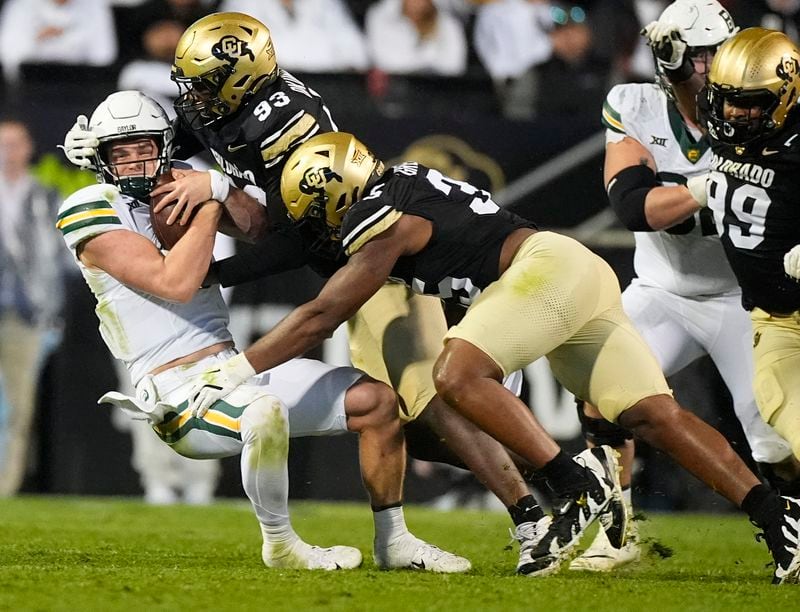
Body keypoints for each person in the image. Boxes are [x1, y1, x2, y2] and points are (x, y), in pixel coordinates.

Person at [62, 11, 585, 573]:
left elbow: (279, 230)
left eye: (204, 85)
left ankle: (545, 502)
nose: (192, 97)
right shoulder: (208, 106)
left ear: (238, 82)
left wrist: (217, 195)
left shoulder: (289, 125)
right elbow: (162, 139)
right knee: (411, 422)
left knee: (431, 396)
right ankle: (548, 481)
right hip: (335, 262)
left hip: (371, 260)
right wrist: (100, 137)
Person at [181, 129, 800, 582]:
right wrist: (222, 270)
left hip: (543, 273)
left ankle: (572, 480)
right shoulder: (393, 186)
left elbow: (322, 313)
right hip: (572, 271)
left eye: (316, 212)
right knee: (652, 416)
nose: (314, 226)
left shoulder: (382, 217)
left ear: (339, 194)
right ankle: (780, 522)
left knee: (457, 372)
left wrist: (235, 368)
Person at [58, 89, 469, 572]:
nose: (132, 162)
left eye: (143, 147)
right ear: (100, 157)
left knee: (375, 402)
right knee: (263, 413)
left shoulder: (177, 187)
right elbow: (177, 283)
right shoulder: (88, 204)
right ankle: (280, 543)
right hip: (177, 390)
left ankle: (394, 541)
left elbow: (262, 230)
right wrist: (209, 202)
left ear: (165, 145)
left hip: (229, 371)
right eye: (119, 153)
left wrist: (219, 187)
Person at [571, 0, 797, 573]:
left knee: (778, 443)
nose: (720, 66)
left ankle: (791, 534)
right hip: (664, 289)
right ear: (672, 59)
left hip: (745, 297)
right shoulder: (637, 106)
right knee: (601, 387)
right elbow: (632, 206)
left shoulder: (766, 108)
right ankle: (618, 533)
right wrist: (710, 186)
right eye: (704, 55)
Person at [702, 25, 800, 558]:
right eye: (726, 100)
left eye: (750, 103)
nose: (734, 113)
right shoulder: (727, 132)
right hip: (776, 319)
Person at [0, 119, 66, 496]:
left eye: (14, 144)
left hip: (26, 314)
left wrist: (50, 314)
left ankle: (6, 487)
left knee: (18, 404)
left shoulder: (45, 196)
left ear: (28, 148)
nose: (7, 152)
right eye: (2, 144)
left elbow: (60, 258)